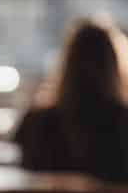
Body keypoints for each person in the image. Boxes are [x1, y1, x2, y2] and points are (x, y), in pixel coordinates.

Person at [15, 15, 128, 181]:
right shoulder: (123, 121)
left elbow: (24, 174)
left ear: (66, 64)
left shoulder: (37, 121)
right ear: (114, 66)